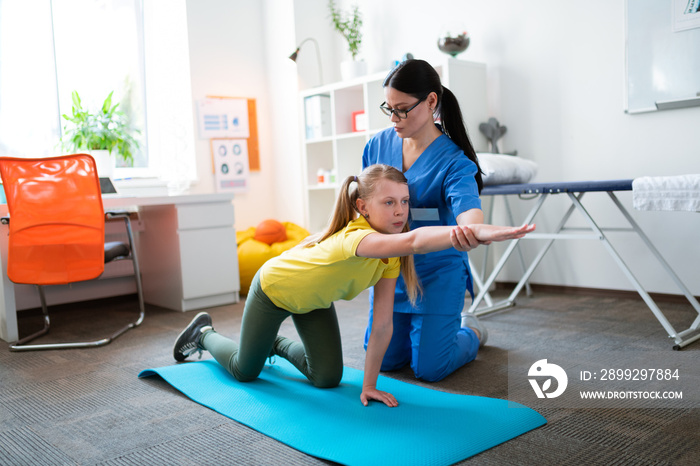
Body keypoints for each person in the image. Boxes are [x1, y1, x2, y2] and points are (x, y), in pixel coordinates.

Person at [173, 164, 534, 407]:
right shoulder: (358, 238)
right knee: (244, 371)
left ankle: (273, 342)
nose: (400, 211)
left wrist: (369, 385)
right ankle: (204, 334)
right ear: (362, 206)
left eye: (405, 202)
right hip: (273, 291)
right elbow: (414, 241)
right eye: (389, 202)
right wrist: (477, 231)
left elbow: (382, 325)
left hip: (313, 301)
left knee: (327, 378)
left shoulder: (389, 258)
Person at [361, 58, 499, 382]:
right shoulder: (377, 145)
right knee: (386, 362)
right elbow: (364, 204)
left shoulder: (453, 161)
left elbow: (468, 208)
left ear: (431, 102)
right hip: (390, 272)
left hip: (435, 272)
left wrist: (473, 229)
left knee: (430, 369)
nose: (394, 118)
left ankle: (472, 332)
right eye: (388, 108)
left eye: (403, 109)